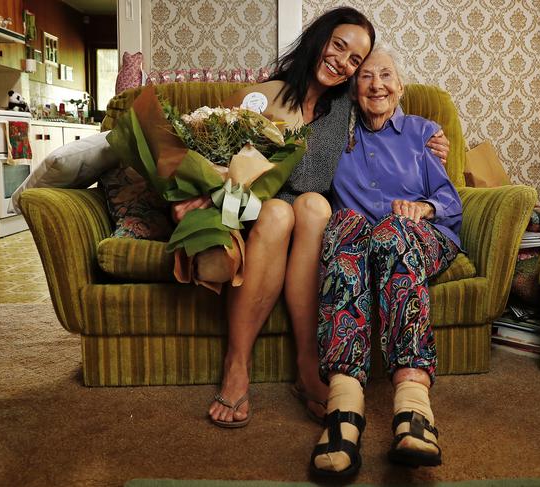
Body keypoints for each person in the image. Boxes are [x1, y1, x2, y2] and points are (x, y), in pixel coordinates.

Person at [183, 7, 449, 428]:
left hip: (310, 217)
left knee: (313, 205)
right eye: (339, 47)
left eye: (355, 61)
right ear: (319, 39)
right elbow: (212, 149)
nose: (344, 63)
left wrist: (431, 140)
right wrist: (203, 190)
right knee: (276, 213)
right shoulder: (264, 96)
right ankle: (237, 365)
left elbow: (389, 117)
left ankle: (309, 366)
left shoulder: (347, 105)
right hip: (260, 214)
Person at [309, 46, 462, 477]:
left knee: (392, 232)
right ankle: (343, 408)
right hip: (359, 239)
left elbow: (450, 200)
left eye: (387, 75)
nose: (377, 84)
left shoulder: (423, 132)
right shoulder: (334, 136)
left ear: (400, 86)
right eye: (366, 77)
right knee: (344, 230)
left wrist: (424, 210)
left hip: (418, 236)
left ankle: (414, 408)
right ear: (353, 89)